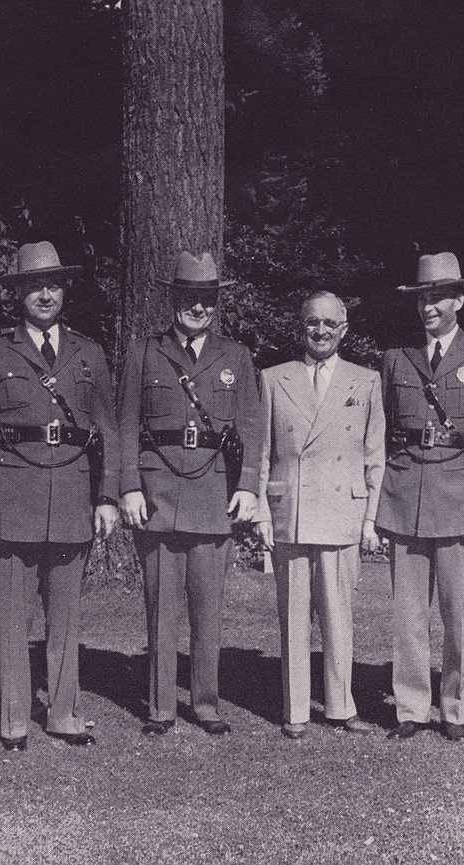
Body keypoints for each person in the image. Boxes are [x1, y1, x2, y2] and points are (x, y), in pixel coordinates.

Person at [0, 241, 119, 751]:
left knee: (67, 615)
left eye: (52, 285)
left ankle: (64, 713)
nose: (45, 294)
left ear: (64, 289)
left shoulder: (88, 352)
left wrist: (108, 496)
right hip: (13, 495)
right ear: (19, 294)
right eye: (34, 286)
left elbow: (108, 432)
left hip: (73, 492)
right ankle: (13, 719)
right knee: (12, 613)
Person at [118, 251, 261, 737]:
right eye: (189, 299)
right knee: (161, 609)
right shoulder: (145, 352)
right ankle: (160, 706)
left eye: (206, 300)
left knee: (208, 610)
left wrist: (247, 486)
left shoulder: (235, 356)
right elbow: (124, 425)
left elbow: (252, 427)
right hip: (156, 490)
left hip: (212, 492)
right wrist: (129, 487)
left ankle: (205, 703)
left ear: (215, 305)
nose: (198, 308)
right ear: (174, 299)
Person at [375, 252, 464, 743]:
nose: (428, 307)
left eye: (438, 297)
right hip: (406, 491)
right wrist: (378, 501)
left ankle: (455, 709)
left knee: (458, 614)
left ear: (458, 300)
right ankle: (411, 707)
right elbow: (382, 433)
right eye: (421, 298)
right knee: (408, 614)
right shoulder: (396, 358)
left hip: (460, 494)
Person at [254, 291, 385, 739]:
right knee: (293, 618)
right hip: (290, 509)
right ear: (301, 328)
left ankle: (340, 706)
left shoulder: (365, 380)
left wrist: (370, 519)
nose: (321, 331)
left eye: (331, 324)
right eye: (313, 323)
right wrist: (262, 514)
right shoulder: (274, 378)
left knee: (338, 617)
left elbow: (375, 456)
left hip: (341, 513)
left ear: (344, 330)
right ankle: (295, 711)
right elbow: (263, 453)